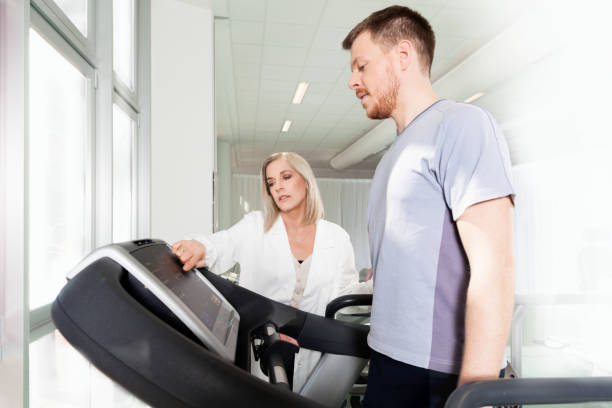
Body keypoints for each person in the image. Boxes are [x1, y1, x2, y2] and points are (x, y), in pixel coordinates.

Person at [342, 6, 515, 407]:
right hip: (390, 358)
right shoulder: (395, 153)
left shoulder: (462, 124)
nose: (352, 81)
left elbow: (496, 268)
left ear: (402, 57)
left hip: (440, 372)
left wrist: (475, 392)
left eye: (361, 66)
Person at [171, 151, 371, 392]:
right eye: (271, 183)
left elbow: (343, 298)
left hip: (313, 352)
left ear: (306, 181)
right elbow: (221, 244)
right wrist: (199, 246)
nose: (278, 187)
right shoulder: (256, 226)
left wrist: (374, 288)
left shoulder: (336, 237)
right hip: (265, 351)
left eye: (286, 177)